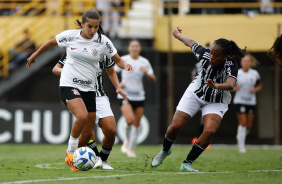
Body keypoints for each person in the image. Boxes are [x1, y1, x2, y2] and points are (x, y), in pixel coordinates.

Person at [26, 8, 133, 171]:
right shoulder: (70, 36)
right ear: (82, 24)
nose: (93, 30)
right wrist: (35, 55)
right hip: (69, 85)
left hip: (90, 89)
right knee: (82, 116)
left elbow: (117, 60)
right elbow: (51, 43)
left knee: (89, 131)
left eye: (96, 27)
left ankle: (83, 161)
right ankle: (70, 153)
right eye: (89, 26)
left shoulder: (103, 42)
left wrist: (125, 65)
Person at [151, 26, 246, 172]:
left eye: (216, 55)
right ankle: (165, 150)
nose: (212, 57)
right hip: (196, 93)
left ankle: (187, 162)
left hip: (217, 99)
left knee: (209, 131)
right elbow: (191, 42)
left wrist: (216, 86)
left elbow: (231, 84)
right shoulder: (205, 54)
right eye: (211, 53)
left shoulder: (231, 63)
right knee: (175, 126)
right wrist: (177, 35)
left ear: (225, 56)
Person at [53, 53, 128, 169]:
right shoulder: (74, 48)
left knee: (111, 130)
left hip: (99, 95)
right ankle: (74, 158)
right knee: (87, 131)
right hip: (78, 94)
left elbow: (111, 71)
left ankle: (102, 160)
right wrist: (69, 73)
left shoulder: (105, 51)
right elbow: (56, 68)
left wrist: (118, 87)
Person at [115, 39, 156, 158]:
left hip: (139, 96)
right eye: (132, 46)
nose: (134, 48)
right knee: (129, 120)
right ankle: (127, 141)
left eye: (137, 46)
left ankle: (131, 149)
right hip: (125, 95)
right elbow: (112, 71)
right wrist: (119, 84)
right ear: (129, 48)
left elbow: (153, 79)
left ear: (139, 48)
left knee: (136, 124)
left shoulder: (144, 62)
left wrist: (147, 73)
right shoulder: (124, 60)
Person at [233, 54, 262, 153]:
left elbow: (259, 85)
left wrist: (255, 89)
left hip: (251, 101)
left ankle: (240, 136)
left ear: (250, 63)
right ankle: (241, 146)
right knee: (243, 122)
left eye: (247, 61)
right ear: (241, 63)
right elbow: (230, 86)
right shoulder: (237, 73)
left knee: (249, 125)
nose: (245, 63)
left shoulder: (255, 74)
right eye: (244, 61)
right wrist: (234, 88)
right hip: (239, 100)